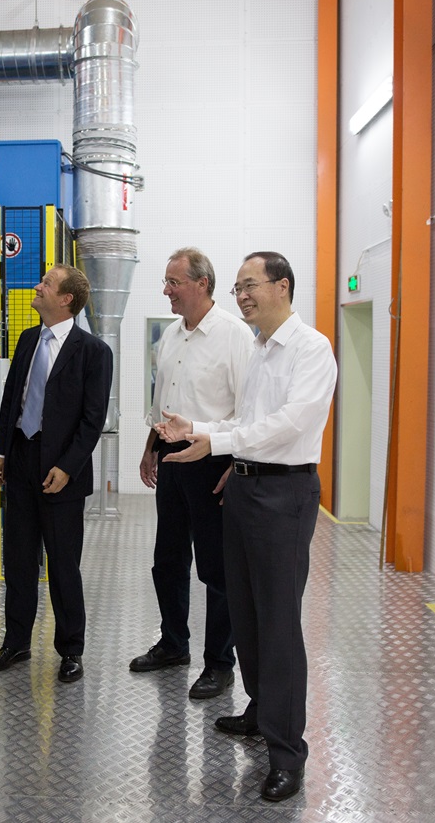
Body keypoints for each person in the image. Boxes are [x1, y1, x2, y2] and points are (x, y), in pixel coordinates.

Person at [156, 251, 336, 802]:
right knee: (246, 611)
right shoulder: (258, 349)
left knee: (278, 623)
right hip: (243, 489)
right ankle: (261, 711)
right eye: (237, 288)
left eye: (250, 285)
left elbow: (290, 424)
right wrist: (199, 427)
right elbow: (246, 420)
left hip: (284, 493)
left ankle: (287, 754)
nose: (242, 296)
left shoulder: (311, 348)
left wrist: (220, 441)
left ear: (283, 286)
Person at [132, 248, 253, 700]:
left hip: (212, 461)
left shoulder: (234, 336)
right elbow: (161, 398)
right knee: (168, 559)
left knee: (216, 568)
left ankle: (220, 663)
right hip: (171, 458)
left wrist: (234, 463)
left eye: (174, 282)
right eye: (166, 282)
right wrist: (151, 447)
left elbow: (248, 411)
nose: (166, 290)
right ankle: (173, 645)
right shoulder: (170, 335)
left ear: (202, 284)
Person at [0, 265, 112, 683]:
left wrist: (67, 467)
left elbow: (92, 420)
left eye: (47, 284)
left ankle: (71, 650)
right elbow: (12, 400)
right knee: (19, 561)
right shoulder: (27, 340)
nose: (38, 287)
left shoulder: (93, 352)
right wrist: (1, 450)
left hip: (61, 472)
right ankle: (16, 642)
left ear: (66, 299)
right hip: (21, 461)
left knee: (62, 566)